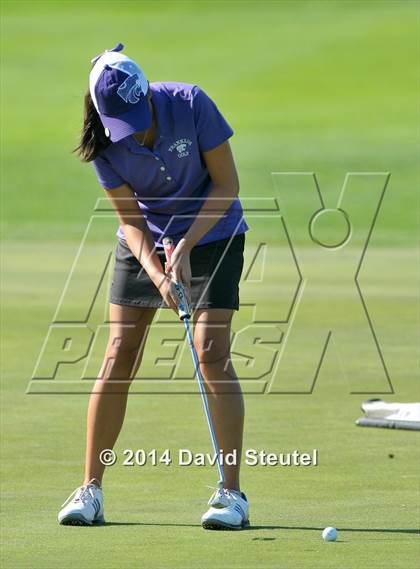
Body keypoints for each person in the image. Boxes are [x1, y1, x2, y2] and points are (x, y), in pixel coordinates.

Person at [58, 43, 249, 530]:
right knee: (119, 352)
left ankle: (232, 495)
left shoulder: (190, 103)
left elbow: (227, 186)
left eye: (139, 117)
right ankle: (91, 490)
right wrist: (160, 270)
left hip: (214, 232)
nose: (136, 131)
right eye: (124, 123)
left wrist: (184, 247)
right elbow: (130, 222)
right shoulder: (103, 143)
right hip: (145, 241)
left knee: (211, 352)